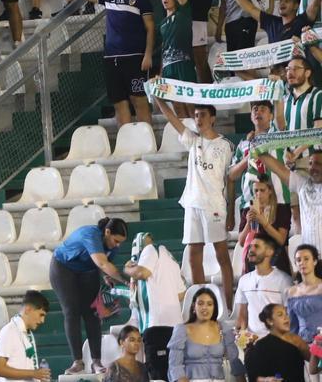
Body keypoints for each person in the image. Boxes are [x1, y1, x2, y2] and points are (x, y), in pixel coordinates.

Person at [155, 99, 235, 303]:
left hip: (215, 206)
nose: (199, 119)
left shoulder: (225, 145)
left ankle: (228, 302)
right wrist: (157, 96)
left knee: (221, 255)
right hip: (192, 204)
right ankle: (202, 301)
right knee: (193, 256)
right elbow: (171, 117)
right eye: (196, 115)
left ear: (213, 118)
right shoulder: (192, 140)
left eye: (203, 115)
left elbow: (230, 179)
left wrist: (232, 210)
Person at [62, 0, 155, 124]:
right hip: (111, 59)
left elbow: (150, 28)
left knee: (139, 101)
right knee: (119, 103)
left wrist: (148, 54)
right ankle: (126, 143)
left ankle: (148, 141)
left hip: (135, 57)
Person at [50, 217, 129, 374]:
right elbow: (102, 263)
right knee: (71, 311)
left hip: (88, 271)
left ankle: (96, 361)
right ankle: (77, 362)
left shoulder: (113, 246)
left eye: (120, 242)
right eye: (116, 240)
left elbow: (104, 266)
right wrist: (126, 282)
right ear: (107, 232)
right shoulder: (90, 234)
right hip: (64, 268)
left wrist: (108, 278)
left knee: (92, 313)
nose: (117, 245)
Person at [124, 232, 185, 382]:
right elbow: (181, 294)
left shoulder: (150, 250)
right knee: (175, 374)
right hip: (176, 326)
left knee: (158, 375)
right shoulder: (170, 258)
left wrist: (127, 269)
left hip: (156, 325)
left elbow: (142, 272)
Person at [168, 288, 243, 382]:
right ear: (193, 307)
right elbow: (175, 365)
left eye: (209, 304)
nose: (205, 307)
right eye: (200, 303)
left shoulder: (224, 328)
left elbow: (234, 360)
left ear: (214, 308)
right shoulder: (181, 329)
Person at [234, 235, 292, 338]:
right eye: (250, 246)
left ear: (270, 251)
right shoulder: (244, 280)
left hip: (277, 340)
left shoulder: (284, 280)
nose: (251, 250)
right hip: (252, 341)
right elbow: (242, 316)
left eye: (256, 246)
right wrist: (242, 335)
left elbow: (289, 315)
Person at [0, 291, 50, 382]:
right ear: (28, 310)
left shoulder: (27, 333)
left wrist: (38, 377)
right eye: (41, 315)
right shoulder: (9, 331)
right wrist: (33, 373)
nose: (42, 320)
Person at [244, 303, 309, 382]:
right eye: (280, 315)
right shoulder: (261, 346)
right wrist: (266, 380)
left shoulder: (297, 340)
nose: (286, 318)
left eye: (287, 314)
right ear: (270, 321)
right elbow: (254, 377)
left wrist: (317, 348)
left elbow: (316, 366)